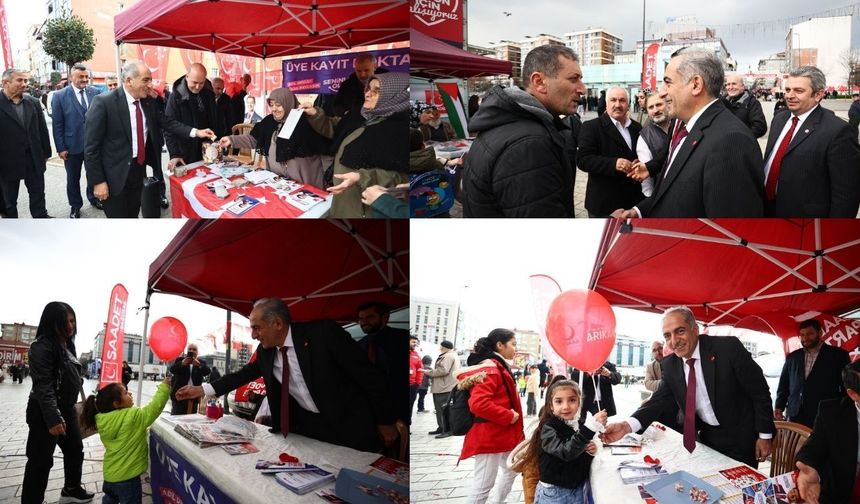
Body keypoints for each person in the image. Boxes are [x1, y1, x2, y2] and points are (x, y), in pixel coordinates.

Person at [176, 298, 397, 453]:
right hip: (312, 430)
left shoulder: (324, 334)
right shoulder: (266, 352)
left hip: (352, 425)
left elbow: (370, 376)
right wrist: (203, 389)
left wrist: (386, 422)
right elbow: (242, 375)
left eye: (257, 328)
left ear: (278, 324)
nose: (253, 335)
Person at [601, 306, 775, 468]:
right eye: (667, 335)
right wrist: (626, 426)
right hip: (708, 438)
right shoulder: (670, 365)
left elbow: (759, 392)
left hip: (742, 437)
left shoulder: (728, 348)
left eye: (680, 331)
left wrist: (765, 435)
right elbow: (657, 401)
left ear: (695, 329)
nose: (674, 341)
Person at [612, 48, 764, 218]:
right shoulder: (688, 128)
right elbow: (672, 188)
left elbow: (728, 232)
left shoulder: (731, 142)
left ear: (696, 85)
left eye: (668, 83)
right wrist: (638, 212)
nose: (661, 92)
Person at [462, 45, 586, 217]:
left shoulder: (506, 122)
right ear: (539, 82)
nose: (582, 89)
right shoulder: (530, 144)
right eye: (574, 79)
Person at [84, 60, 216, 218]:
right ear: (128, 81)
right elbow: (91, 148)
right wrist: (98, 181)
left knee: (133, 215)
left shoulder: (148, 102)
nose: (150, 85)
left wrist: (196, 132)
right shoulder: (104, 102)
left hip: (138, 171)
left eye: (150, 80)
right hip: (114, 176)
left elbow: (168, 123)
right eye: (145, 80)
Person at [303, 72, 410, 217]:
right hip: (344, 197)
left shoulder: (400, 130)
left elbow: (402, 178)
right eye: (368, 89)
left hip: (365, 206)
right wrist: (315, 113)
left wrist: (362, 177)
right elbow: (337, 129)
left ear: (395, 95)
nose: (368, 94)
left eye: (377, 91)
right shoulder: (361, 115)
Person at [762, 65, 860, 218]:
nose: (789, 96)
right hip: (767, 209)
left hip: (804, 219)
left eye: (798, 91)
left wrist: (834, 232)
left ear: (818, 94)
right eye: (788, 90)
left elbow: (846, 195)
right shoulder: (779, 119)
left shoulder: (839, 131)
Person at [22, 302, 93, 504]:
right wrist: (53, 418)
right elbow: (43, 386)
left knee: (74, 449)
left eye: (72, 320)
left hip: (67, 408)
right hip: (45, 411)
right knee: (40, 461)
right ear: (51, 322)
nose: (70, 325)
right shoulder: (41, 346)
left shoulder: (67, 345)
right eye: (65, 321)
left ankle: (71, 489)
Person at [454, 329, 524, 504]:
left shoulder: (496, 365)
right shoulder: (490, 368)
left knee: (512, 469)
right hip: (490, 435)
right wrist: (508, 416)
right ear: (500, 345)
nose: (516, 348)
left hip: (501, 433)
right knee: (484, 484)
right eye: (513, 344)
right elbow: (478, 404)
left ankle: (498, 501)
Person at [79, 376, 171, 504]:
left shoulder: (101, 419)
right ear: (116, 403)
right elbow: (154, 407)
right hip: (128, 479)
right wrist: (165, 387)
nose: (130, 393)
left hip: (110, 476)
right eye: (126, 393)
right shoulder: (133, 417)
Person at [219, 88, 332, 188]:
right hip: (278, 184)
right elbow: (254, 139)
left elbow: (326, 150)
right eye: (271, 105)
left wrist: (329, 180)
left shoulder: (307, 121)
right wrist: (232, 140)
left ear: (288, 103)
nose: (274, 109)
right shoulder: (269, 122)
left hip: (306, 186)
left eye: (278, 105)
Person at [522, 380, 607, 504]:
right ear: (551, 405)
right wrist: (589, 429)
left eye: (572, 400)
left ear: (579, 402)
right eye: (559, 401)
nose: (566, 406)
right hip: (554, 493)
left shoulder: (579, 423)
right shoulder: (548, 428)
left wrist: (591, 449)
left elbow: (579, 448)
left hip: (576, 488)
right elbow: (565, 452)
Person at [794, 361, 860, 504]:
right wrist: (810, 469)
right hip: (842, 494)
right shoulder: (831, 412)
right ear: (853, 394)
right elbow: (813, 448)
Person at [578, 86, 644, 217]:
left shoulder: (637, 127)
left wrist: (639, 162)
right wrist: (614, 163)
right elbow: (583, 160)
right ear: (606, 103)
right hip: (604, 202)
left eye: (622, 100)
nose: (618, 105)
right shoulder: (591, 127)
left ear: (628, 103)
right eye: (613, 100)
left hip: (633, 201)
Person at [774, 318, 850, 428]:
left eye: (809, 334)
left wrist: (843, 410)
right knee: (797, 445)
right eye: (802, 335)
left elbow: (846, 385)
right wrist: (779, 406)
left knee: (822, 445)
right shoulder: (793, 357)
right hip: (796, 413)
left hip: (825, 414)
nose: (805, 338)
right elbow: (784, 385)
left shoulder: (838, 355)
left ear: (820, 333)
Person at [51, 63, 103, 218]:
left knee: (93, 174)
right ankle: (75, 206)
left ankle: (93, 198)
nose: (85, 79)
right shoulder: (60, 96)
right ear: (71, 77)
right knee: (73, 178)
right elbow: (57, 124)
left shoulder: (96, 92)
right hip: (72, 147)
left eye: (87, 76)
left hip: (94, 145)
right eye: (81, 77)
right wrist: (61, 148)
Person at [0, 68, 52, 218]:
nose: (24, 84)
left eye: (25, 80)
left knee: (38, 195)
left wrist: (46, 153)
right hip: (6, 163)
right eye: (20, 80)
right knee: (8, 202)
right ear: (5, 83)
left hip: (33, 159)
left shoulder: (33, 102)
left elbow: (42, 130)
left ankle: (41, 219)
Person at [356, 301, 410, 426]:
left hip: (399, 406)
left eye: (369, 317)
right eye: (361, 319)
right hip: (370, 409)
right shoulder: (359, 346)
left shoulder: (402, 339)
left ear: (385, 317)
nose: (363, 322)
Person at [165, 63, 224, 170]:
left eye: (201, 83)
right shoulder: (176, 96)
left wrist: (217, 141)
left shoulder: (208, 93)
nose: (197, 87)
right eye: (194, 82)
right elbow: (169, 127)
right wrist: (175, 154)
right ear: (187, 77)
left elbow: (214, 120)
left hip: (207, 148)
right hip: (184, 150)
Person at [629, 93, 672, 197]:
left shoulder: (681, 124)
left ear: (667, 105)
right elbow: (646, 177)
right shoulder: (644, 137)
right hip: (663, 194)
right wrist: (650, 199)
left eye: (659, 105)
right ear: (647, 112)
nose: (655, 110)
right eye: (651, 107)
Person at [425, 340, 459, 437]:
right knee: (440, 409)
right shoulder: (451, 355)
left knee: (443, 409)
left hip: (444, 387)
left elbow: (443, 370)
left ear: (444, 347)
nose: (440, 348)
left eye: (441, 346)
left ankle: (446, 429)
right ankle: (441, 427)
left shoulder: (448, 356)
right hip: (444, 386)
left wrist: (428, 372)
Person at [168, 343, 210, 415]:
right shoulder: (180, 360)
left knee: (190, 418)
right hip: (179, 395)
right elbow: (172, 370)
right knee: (177, 416)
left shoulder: (201, 362)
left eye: (194, 349)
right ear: (187, 351)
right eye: (190, 349)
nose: (192, 351)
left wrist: (199, 365)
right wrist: (182, 363)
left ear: (197, 352)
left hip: (193, 396)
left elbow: (207, 371)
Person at [721, 74, 767, 138]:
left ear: (743, 86)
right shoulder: (722, 103)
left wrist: (741, 138)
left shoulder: (752, 103)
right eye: (728, 84)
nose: (730, 87)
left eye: (734, 84)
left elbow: (760, 127)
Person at [409, 335, 424, 424]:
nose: (415, 344)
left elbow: (420, 369)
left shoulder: (416, 355)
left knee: (410, 406)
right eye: (413, 342)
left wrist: (417, 383)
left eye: (416, 342)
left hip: (412, 385)